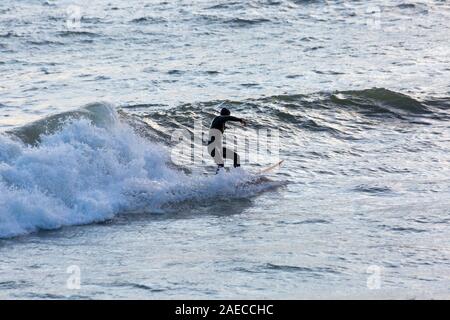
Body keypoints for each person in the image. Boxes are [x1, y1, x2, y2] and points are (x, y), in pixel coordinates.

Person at [207, 107, 247, 173]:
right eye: (228, 115)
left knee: (236, 157)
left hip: (218, 148)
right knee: (221, 163)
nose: (227, 119)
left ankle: (237, 175)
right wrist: (240, 120)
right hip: (213, 148)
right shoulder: (219, 118)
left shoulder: (219, 123)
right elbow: (227, 118)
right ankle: (218, 179)